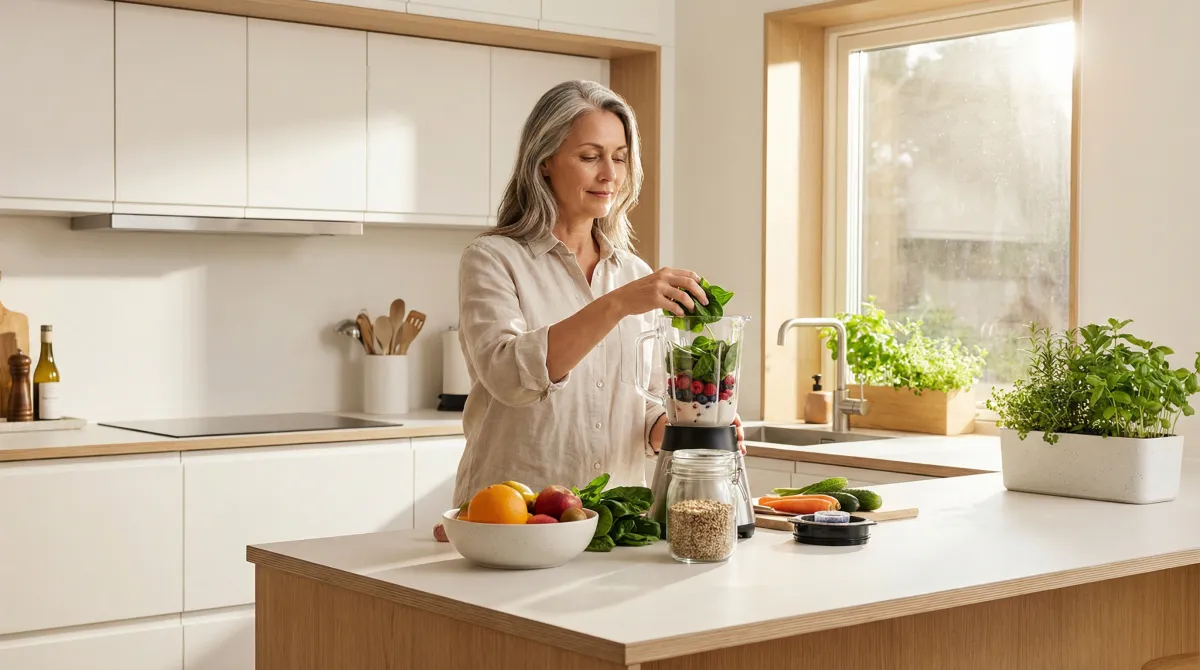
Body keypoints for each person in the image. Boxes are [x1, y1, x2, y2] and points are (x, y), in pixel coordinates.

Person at [451, 80, 743, 507]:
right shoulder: (493, 259)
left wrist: (693, 425)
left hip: (616, 517)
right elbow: (509, 378)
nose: (610, 175)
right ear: (544, 161)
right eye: (590, 157)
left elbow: (644, 410)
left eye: (620, 158)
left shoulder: (633, 272)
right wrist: (618, 304)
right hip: (516, 517)